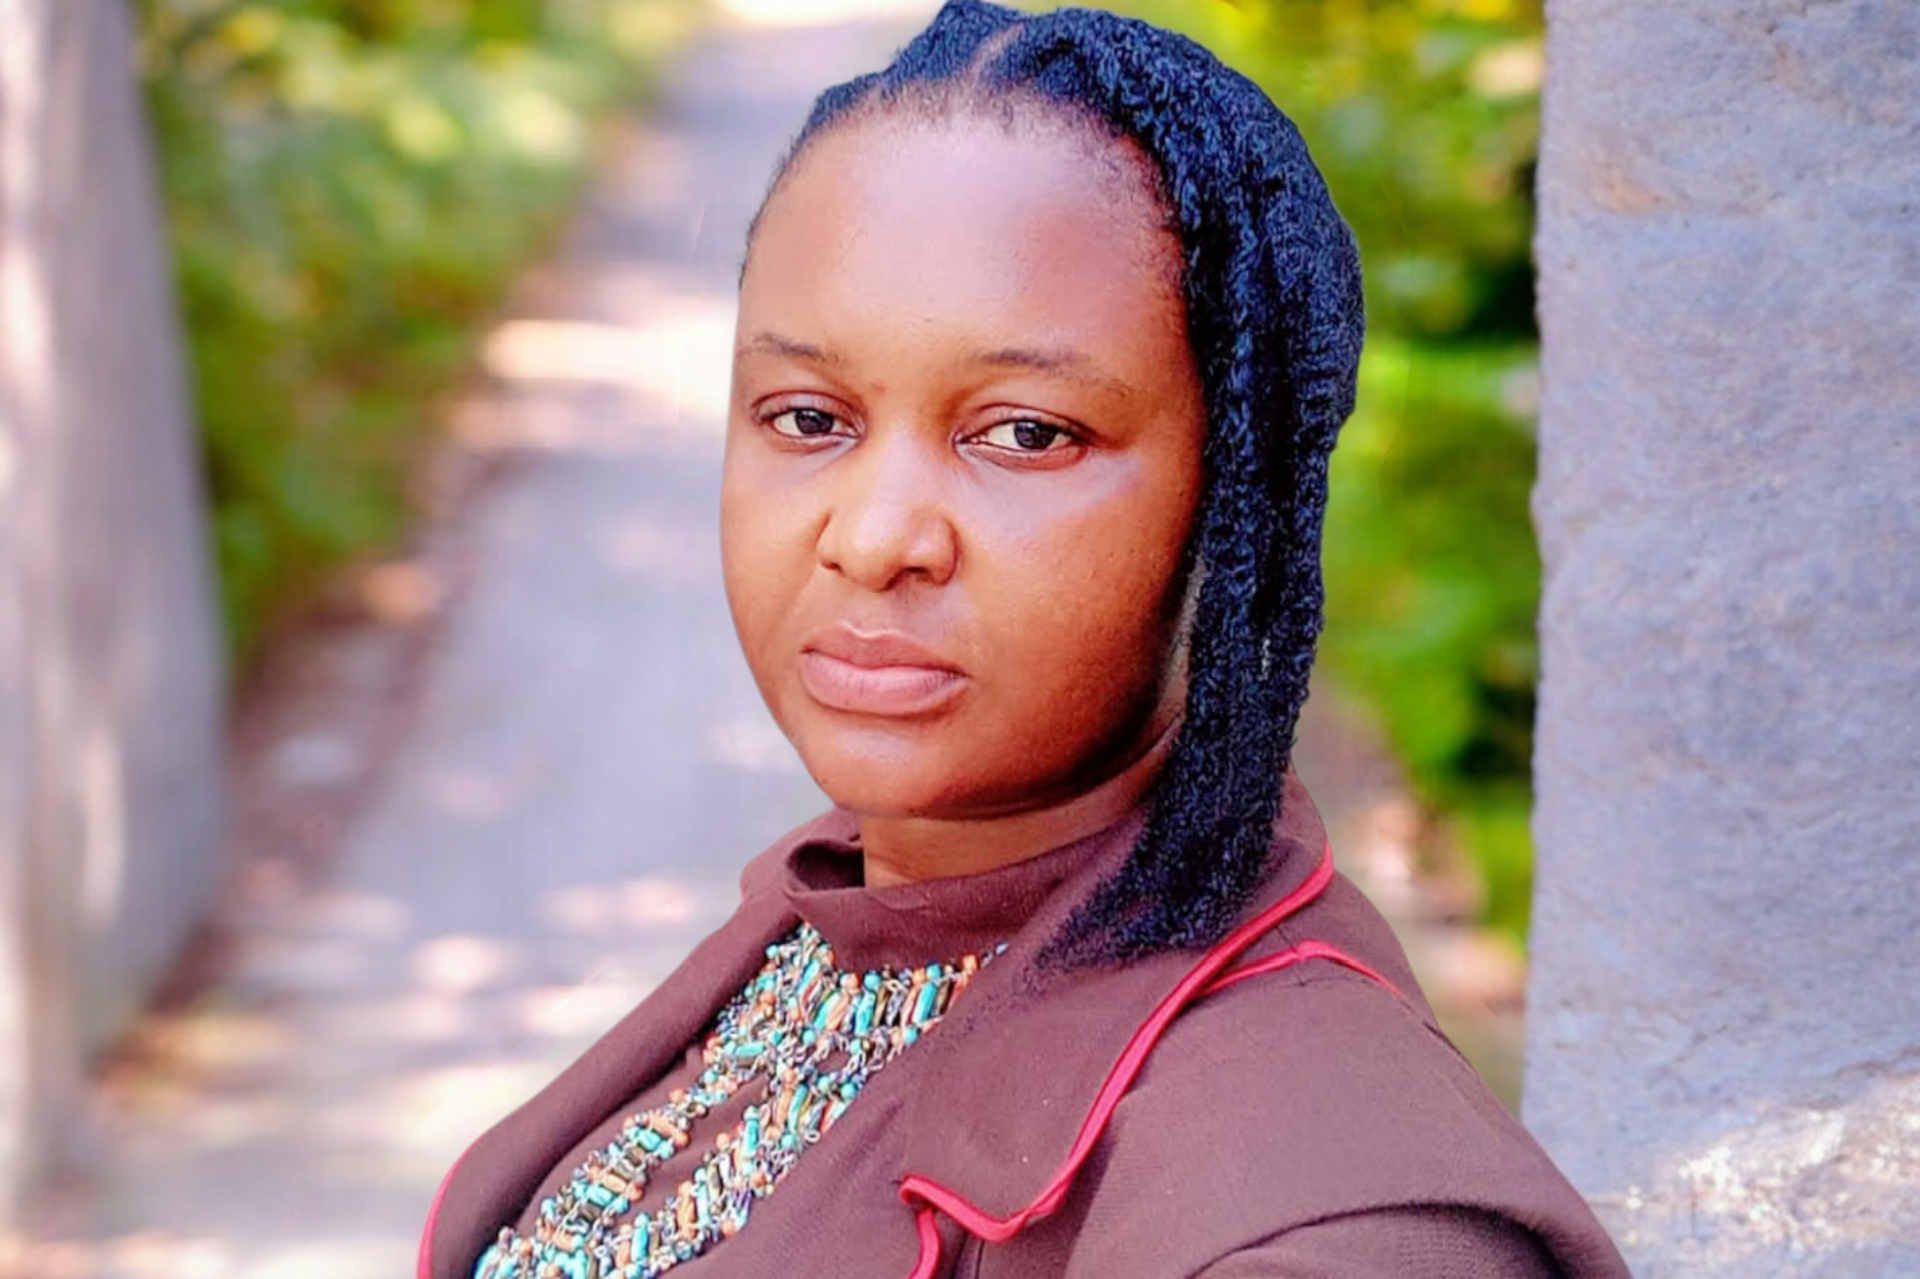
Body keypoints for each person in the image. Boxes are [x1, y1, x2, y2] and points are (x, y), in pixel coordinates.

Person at [418, 3, 1631, 1276]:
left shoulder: (1333, 1221)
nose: (875, 536)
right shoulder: (850, 908)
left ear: (1232, 493)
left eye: (1025, 433)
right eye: (808, 416)